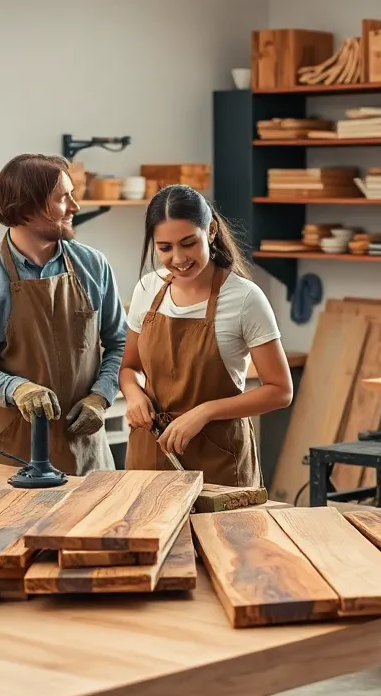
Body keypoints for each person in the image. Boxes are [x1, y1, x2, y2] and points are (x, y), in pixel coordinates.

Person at [0, 153, 125, 476]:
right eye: (63, 198)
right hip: (15, 459)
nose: (75, 206)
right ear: (28, 209)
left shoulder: (94, 266)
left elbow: (121, 344)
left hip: (87, 456)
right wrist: (17, 388)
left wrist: (101, 397)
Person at [119, 184, 292, 488]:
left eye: (188, 243)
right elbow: (129, 367)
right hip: (150, 457)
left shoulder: (244, 298)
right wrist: (133, 395)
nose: (178, 258)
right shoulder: (147, 289)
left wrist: (205, 412)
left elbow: (280, 390)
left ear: (210, 231)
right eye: (165, 248)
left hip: (218, 462)